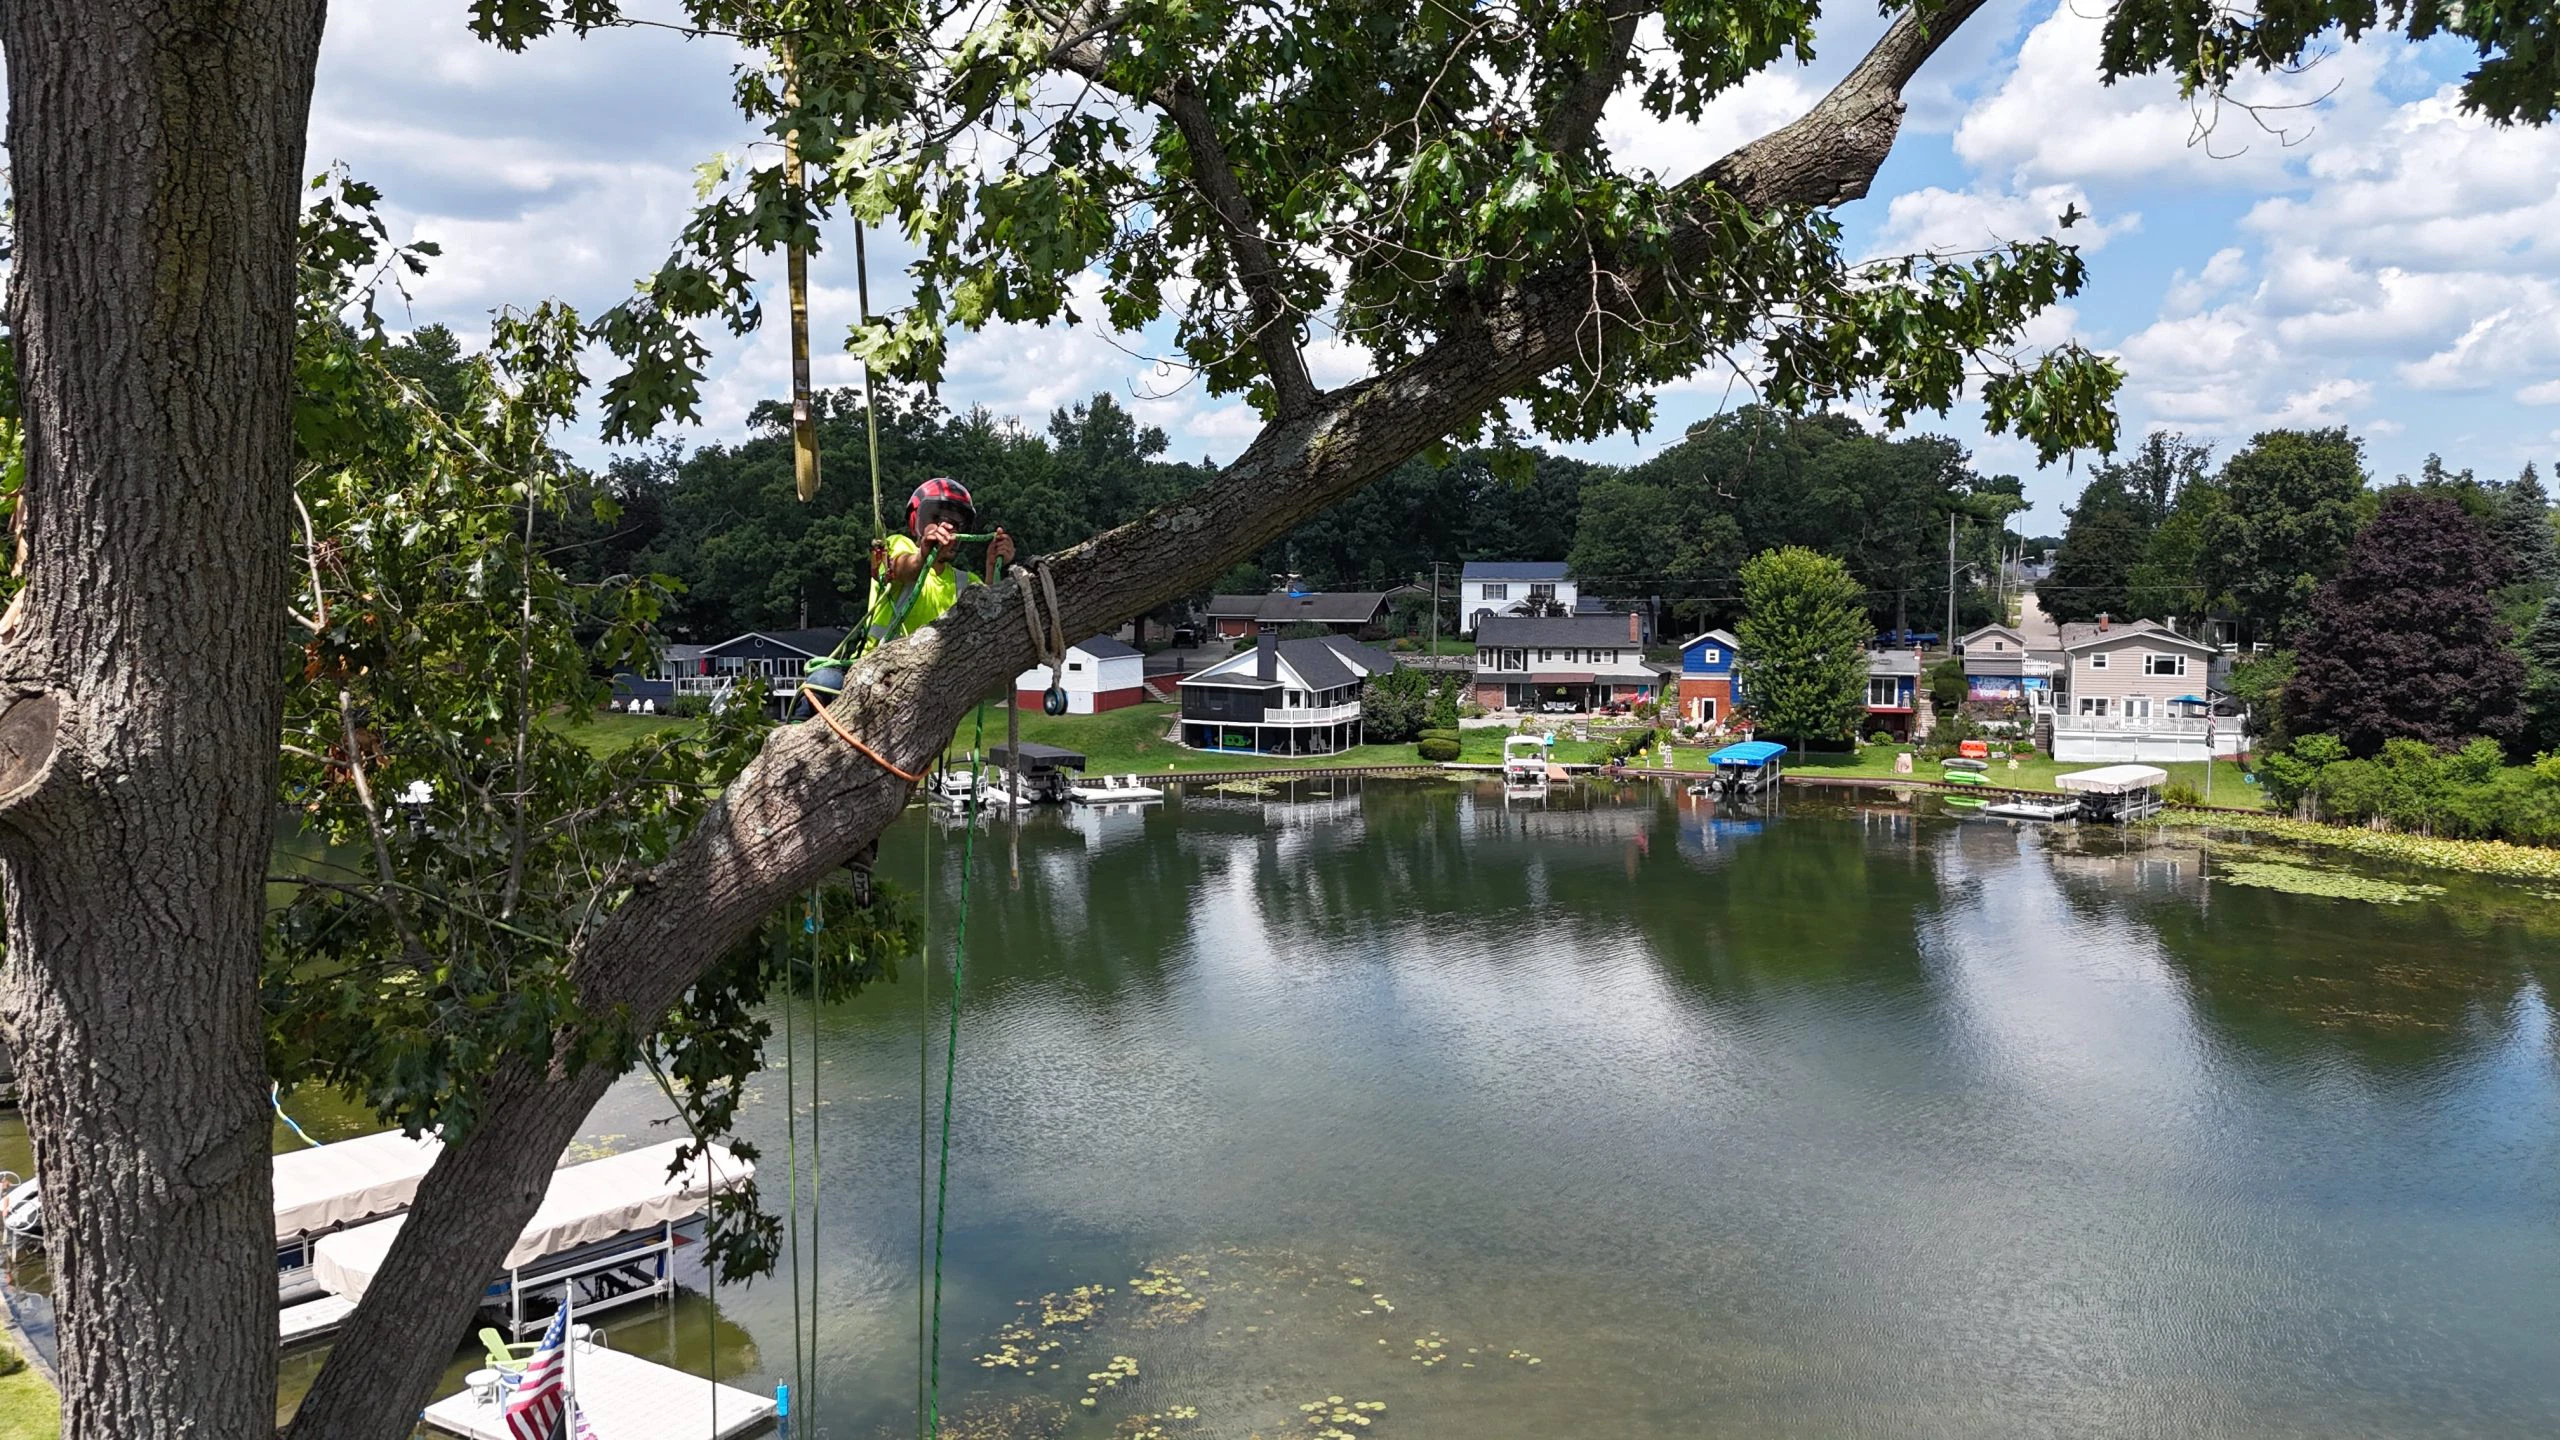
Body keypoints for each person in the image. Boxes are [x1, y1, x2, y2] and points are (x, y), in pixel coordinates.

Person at [802, 477, 1013, 713]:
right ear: (917, 520)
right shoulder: (896, 544)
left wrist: (993, 566)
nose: (950, 527)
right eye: (937, 518)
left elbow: (988, 618)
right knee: (823, 682)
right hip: (873, 670)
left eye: (957, 523)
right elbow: (902, 568)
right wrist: (923, 555)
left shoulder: (965, 582)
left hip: (927, 689)